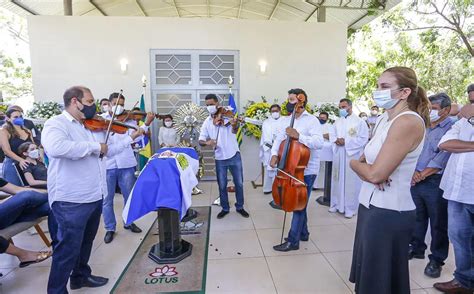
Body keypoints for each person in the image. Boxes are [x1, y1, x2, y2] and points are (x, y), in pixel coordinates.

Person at [348, 67, 429, 294]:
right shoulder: (385, 118)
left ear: (404, 93)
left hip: (389, 211)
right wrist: (367, 167)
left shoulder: (408, 122)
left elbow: (375, 174)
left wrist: (354, 165)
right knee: (369, 278)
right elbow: (368, 158)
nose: (377, 91)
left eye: (384, 87)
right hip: (370, 204)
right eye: (377, 86)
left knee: (380, 282)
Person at [42, 86, 110, 293]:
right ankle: (56, 290)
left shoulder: (86, 126)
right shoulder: (56, 123)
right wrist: (95, 147)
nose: (93, 106)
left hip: (93, 194)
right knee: (67, 249)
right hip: (71, 199)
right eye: (89, 102)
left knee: (86, 242)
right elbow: (56, 148)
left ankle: (80, 277)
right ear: (74, 101)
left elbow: (97, 155)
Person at [270, 88, 323, 252]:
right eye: (289, 99)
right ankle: (304, 233)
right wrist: (273, 154)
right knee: (301, 203)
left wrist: (299, 136)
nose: (289, 103)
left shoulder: (312, 120)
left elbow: (318, 143)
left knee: (298, 206)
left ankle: (293, 241)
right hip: (289, 169)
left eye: (292, 100)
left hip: (306, 169)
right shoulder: (286, 120)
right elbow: (279, 138)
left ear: (302, 101)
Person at [409, 93, 454, 278]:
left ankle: (436, 260)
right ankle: (417, 247)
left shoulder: (452, 127)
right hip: (415, 178)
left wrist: (421, 175)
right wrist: (412, 172)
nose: (430, 112)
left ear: (446, 110)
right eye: (429, 108)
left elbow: (443, 156)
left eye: (434, 109)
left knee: (438, 223)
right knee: (417, 216)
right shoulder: (423, 124)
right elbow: (412, 148)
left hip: (435, 181)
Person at [100, 92, 153, 244]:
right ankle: (110, 228)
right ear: (109, 104)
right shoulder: (101, 121)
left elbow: (140, 136)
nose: (120, 107)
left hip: (126, 163)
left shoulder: (129, 120)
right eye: (116, 103)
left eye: (122, 104)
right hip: (108, 165)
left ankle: (128, 222)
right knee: (107, 199)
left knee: (128, 196)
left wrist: (147, 123)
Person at [433, 104, 474, 294]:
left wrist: (463, 146)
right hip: (458, 190)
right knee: (459, 237)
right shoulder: (463, 122)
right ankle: (463, 281)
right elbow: (445, 144)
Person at [199, 94, 249, 219]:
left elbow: (234, 130)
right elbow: (201, 140)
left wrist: (234, 124)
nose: (210, 107)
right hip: (219, 157)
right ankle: (225, 208)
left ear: (217, 103)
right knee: (222, 185)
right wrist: (207, 142)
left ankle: (240, 207)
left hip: (234, 154)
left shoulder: (227, 114)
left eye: (211, 104)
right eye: (207, 105)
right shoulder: (207, 122)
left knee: (239, 183)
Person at [329, 99, 369, 218]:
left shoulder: (359, 122)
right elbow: (332, 134)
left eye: (344, 106)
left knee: (351, 181)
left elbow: (363, 138)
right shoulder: (337, 122)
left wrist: (347, 142)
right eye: (340, 107)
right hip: (339, 154)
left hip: (351, 154)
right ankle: (336, 203)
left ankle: (350, 208)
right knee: (337, 179)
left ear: (350, 106)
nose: (342, 109)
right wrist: (336, 140)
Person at [0, 108, 34, 186]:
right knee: (16, 191)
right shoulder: (3, 131)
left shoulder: (27, 131)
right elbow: (6, 150)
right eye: (15, 117)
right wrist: (21, 160)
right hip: (13, 165)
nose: (19, 118)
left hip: (27, 165)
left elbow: (33, 146)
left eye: (20, 116)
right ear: (8, 119)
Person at [260, 104, 282, 195]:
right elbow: (265, 136)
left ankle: (278, 188)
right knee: (269, 168)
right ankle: (268, 188)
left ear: (280, 110)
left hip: (281, 149)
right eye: (273, 111)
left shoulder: (284, 121)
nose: (275, 113)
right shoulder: (266, 122)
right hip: (269, 149)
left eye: (276, 111)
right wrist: (273, 147)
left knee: (280, 169)